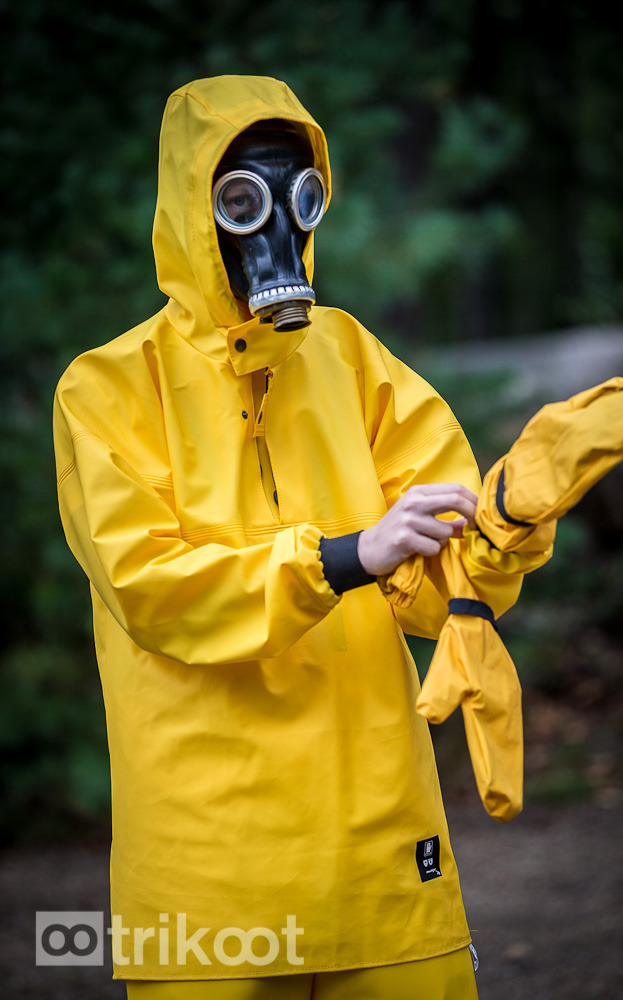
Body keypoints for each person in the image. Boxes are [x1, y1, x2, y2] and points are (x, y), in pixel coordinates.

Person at [54, 75, 535, 999]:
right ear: (193, 209)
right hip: (211, 880)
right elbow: (152, 587)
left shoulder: (353, 360)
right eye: (241, 200)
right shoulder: (107, 389)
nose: (274, 226)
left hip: (382, 855)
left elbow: (444, 593)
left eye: (298, 195)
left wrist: (507, 528)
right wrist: (347, 554)